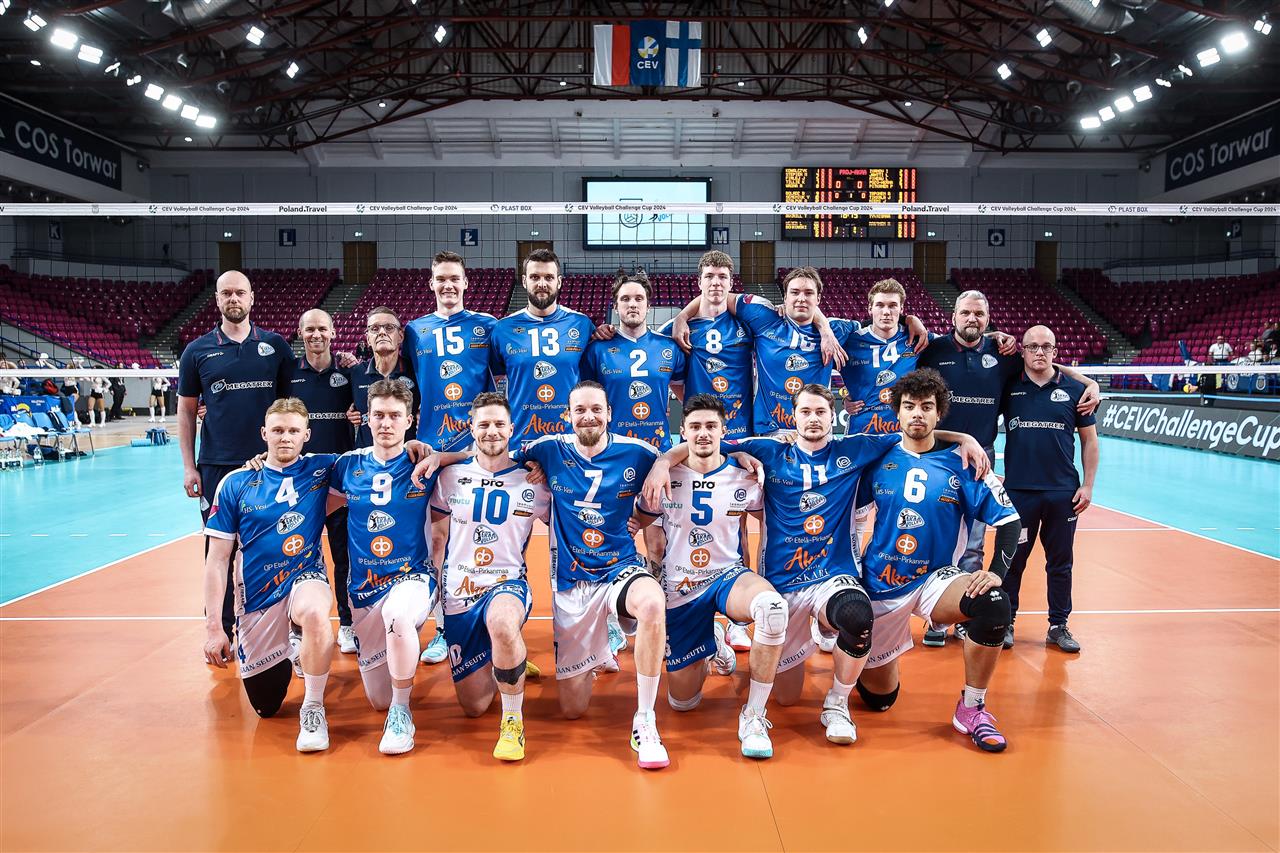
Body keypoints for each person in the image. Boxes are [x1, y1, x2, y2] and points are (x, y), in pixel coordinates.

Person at [643, 384, 989, 745]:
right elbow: (707, 442)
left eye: (821, 412)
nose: (813, 419)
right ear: (793, 417)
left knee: (856, 613)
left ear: (832, 416)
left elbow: (915, 432)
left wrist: (964, 438)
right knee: (782, 698)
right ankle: (719, 642)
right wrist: (664, 462)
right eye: (805, 412)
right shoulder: (769, 450)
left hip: (833, 575)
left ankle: (837, 702)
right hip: (784, 581)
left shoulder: (854, 448)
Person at [916, 289, 1099, 646]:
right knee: (936, 538)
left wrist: (1089, 382)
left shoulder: (1003, 357)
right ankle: (937, 618)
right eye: (966, 313)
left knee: (973, 546)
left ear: (988, 319)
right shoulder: (934, 350)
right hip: (938, 455)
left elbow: (1044, 364)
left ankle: (964, 614)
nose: (972, 319)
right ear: (953, 316)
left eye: (979, 314)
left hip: (981, 458)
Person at [853, 369, 1022, 752]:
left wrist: (996, 573)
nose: (917, 413)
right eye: (909, 406)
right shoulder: (877, 456)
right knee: (879, 700)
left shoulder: (963, 463)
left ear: (938, 412)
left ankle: (972, 708)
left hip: (936, 579)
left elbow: (1010, 520)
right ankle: (871, 660)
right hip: (880, 584)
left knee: (994, 603)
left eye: (926, 407)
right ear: (897, 411)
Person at [512, 381, 670, 768]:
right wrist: (437, 456)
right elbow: (497, 453)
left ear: (609, 413)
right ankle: (601, 645)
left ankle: (645, 719)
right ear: (567, 415)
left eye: (596, 409)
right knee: (572, 709)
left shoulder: (637, 452)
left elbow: (679, 455)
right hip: (572, 581)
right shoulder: (548, 448)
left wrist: (661, 470)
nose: (589, 417)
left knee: (652, 603)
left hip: (619, 567)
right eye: (580, 410)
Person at [631, 394, 788, 759]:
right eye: (695, 427)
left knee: (772, 609)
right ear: (682, 431)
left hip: (727, 575)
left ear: (723, 431)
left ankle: (754, 716)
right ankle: (712, 641)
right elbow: (636, 523)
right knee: (683, 702)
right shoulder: (665, 476)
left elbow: (773, 521)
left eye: (711, 426)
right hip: (680, 587)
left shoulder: (746, 476)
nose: (703, 433)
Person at [201, 398, 336, 752]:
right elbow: (217, 560)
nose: (285, 438)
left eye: (293, 431)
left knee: (314, 612)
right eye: (277, 430)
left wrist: (414, 446)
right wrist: (214, 628)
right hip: (258, 597)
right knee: (267, 706)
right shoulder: (236, 483)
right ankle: (294, 645)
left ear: (307, 435)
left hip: (305, 576)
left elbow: (376, 460)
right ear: (264, 434)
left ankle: (313, 707)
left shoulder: (323, 469)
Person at [429, 392, 550, 761]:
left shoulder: (534, 480)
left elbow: (567, 525)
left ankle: (513, 721)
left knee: (501, 622)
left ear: (512, 428)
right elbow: (436, 533)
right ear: (472, 428)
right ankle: (509, 655)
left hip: (507, 584)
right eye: (483, 424)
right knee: (474, 706)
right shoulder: (450, 477)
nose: (492, 430)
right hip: (460, 592)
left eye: (499, 423)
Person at [179, 270, 295, 640]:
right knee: (219, 550)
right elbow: (186, 412)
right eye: (226, 293)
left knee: (274, 546)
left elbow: (293, 404)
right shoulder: (197, 351)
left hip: (269, 466)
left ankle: (279, 628)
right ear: (217, 299)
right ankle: (219, 629)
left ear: (251, 298)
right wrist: (189, 466)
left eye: (239, 293)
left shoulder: (275, 346)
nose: (233, 299)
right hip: (217, 466)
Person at [328, 379, 441, 754]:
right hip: (364, 589)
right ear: (367, 418)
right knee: (376, 698)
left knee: (398, 615)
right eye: (378, 415)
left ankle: (401, 712)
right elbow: (299, 477)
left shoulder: (424, 464)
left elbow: (475, 458)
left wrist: (441, 455)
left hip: (413, 577)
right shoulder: (347, 465)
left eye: (395, 415)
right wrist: (260, 462)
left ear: (410, 420)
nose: (386, 423)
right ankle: (393, 690)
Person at [1001, 325, 1099, 653]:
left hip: (1062, 494)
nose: (1039, 352)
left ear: (1055, 352)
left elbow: (1089, 442)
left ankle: (1058, 625)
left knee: (1060, 563)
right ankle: (1006, 622)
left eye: (1046, 347)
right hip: (1019, 493)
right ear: (1023, 351)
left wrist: (1088, 485)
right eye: (1032, 346)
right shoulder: (1009, 385)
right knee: (1012, 561)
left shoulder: (1075, 390)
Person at [670, 265, 850, 435]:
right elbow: (718, 296)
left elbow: (866, 346)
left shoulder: (837, 331)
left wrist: (851, 395)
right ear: (785, 297)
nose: (801, 298)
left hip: (816, 430)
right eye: (794, 293)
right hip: (771, 433)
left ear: (818, 299)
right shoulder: (764, 318)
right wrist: (682, 317)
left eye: (809, 293)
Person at [290, 309, 357, 655]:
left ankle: (347, 624)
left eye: (322, 329)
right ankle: (297, 628)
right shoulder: (288, 373)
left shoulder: (349, 372)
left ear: (333, 332)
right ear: (300, 332)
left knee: (344, 556)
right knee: (298, 556)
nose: (316, 335)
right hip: (301, 483)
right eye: (310, 329)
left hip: (340, 481)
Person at [488, 248, 597, 442]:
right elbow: (496, 381)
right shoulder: (503, 328)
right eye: (535, 277)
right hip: (521, 439)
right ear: (524, 281)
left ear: (559, 282)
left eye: (549, 277)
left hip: (570, 439)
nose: (542, 284)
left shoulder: (581, 324)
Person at [402, 251, 498, 452]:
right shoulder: (414, 329)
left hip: (478, 434)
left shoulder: (488, 325)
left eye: (454, 279)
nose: (448, 285)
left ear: (465, 283)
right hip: (433, 436)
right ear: (431, 284)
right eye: (441, 279)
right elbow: (404, 376)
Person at [659, 251, 755, 440]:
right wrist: (691, 401)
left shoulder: (748, 324)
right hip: (698, 432)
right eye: (709, 276)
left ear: (731, 283)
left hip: (740, 430)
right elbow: (664, 374)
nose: (716, 282)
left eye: (722, 277)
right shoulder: (673, 329)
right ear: (699, 282)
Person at [348, 306, 420, 450]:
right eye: (374, 329)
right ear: (368, 338)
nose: (382, 332)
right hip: (366, 458)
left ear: (400, 336)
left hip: (407, 457)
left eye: (389, 328)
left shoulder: (417, 372)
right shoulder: (355, 373)